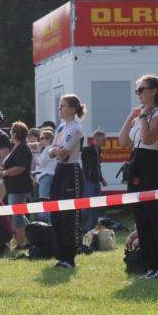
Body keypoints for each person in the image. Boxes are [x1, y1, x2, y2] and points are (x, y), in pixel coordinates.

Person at [118, 75, 158, 278]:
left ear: (154, 90)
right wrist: (131, 117)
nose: (139, 94)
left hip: (156, 167)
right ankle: (150, 265)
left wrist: (143, 117)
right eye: (137, 91)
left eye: (142, 90)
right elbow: (123, 141)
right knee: (142, 218)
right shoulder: (141, 115)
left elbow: (148, 137)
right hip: (138, 166)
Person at [42, 95, 86, 268]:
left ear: (73, 108)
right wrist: (53, 150)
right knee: (56, 214)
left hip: (71, 171)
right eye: (59, 105)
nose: (59, 109)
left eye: (63, 106)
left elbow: (63, 153)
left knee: (69, 216)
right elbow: (49, 154)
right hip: (59, 171)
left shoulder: (75, 127)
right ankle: (60, 255)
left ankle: (70, 256)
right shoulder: (61, 127)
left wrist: (52, 150)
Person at [0, 121, 34, 249]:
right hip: (12, 187)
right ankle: (30, 237)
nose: (10, 134)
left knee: (17, 214)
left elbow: (20, 168)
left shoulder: (22, 148)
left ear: (16, 134)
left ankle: (22, 242)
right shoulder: (15, 147)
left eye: (11, 132)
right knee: (18, 214)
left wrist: (5, 172)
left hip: (19, 186)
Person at [80, 130, 108, 231]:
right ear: (96, 140)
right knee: (87, 205)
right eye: (103, 140)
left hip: (96, 181)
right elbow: (87, 164)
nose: (105, 142)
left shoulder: (99, 150)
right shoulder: (87, 150)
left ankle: (92, 228)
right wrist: (87, 175)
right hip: (88, 180)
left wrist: (102, 179)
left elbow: (97, 167)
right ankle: (81, 227)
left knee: (96, 206)